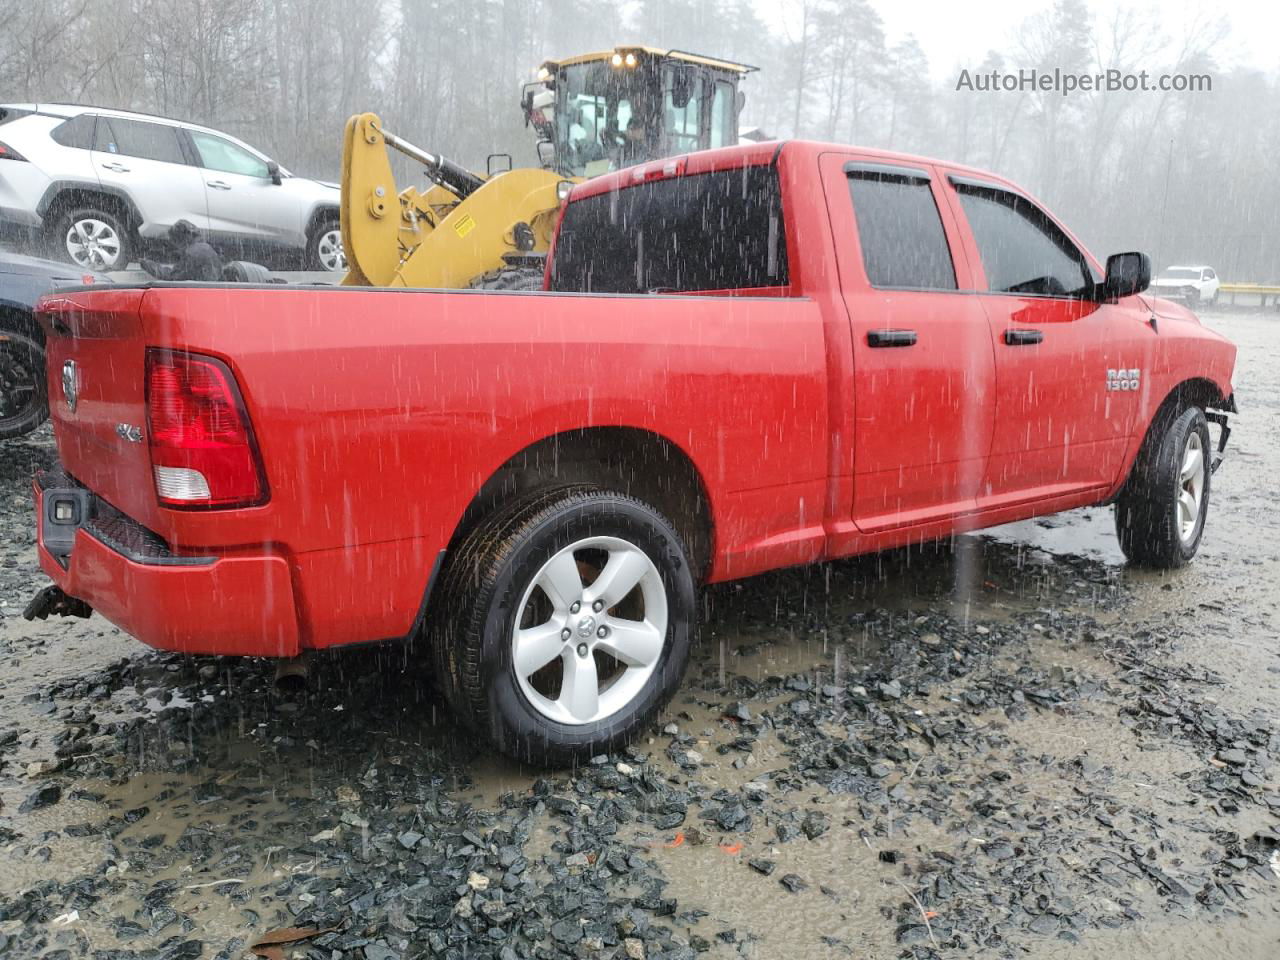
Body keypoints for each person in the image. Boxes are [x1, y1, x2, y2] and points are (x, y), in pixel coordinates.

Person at [140, 220, 222, 281]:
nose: (176, 247)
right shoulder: (207, 248)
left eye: (175, 242)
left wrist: (147, 264)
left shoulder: (191, 253)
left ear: (180, 239)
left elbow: (172, 277)